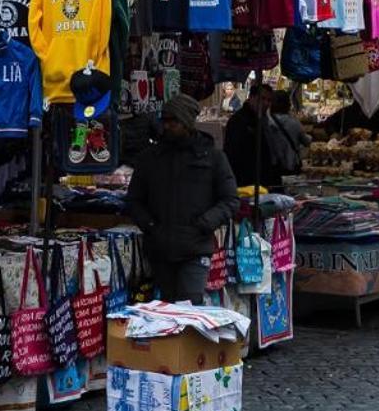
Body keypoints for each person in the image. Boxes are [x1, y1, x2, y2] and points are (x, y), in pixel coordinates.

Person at [125, 93, 239, 303]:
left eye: (174, 121)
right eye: (165, 121)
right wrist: (151, 226)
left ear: (187, 123)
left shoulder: (212, 157)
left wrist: (205, 223)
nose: (167, 126)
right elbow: (134, 200)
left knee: (189, 306)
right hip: (160, 248)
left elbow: (230, 200)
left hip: (195, 248)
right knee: (166, 310)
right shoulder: (150, 158)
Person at [223, 83, 299, 189]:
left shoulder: (263, 120)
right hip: (248, 184)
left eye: (269, 100)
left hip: (265, 181)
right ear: (251, 97)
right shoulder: (239, 121)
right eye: (262, 99)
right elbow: (234, 155)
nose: (266, 103)